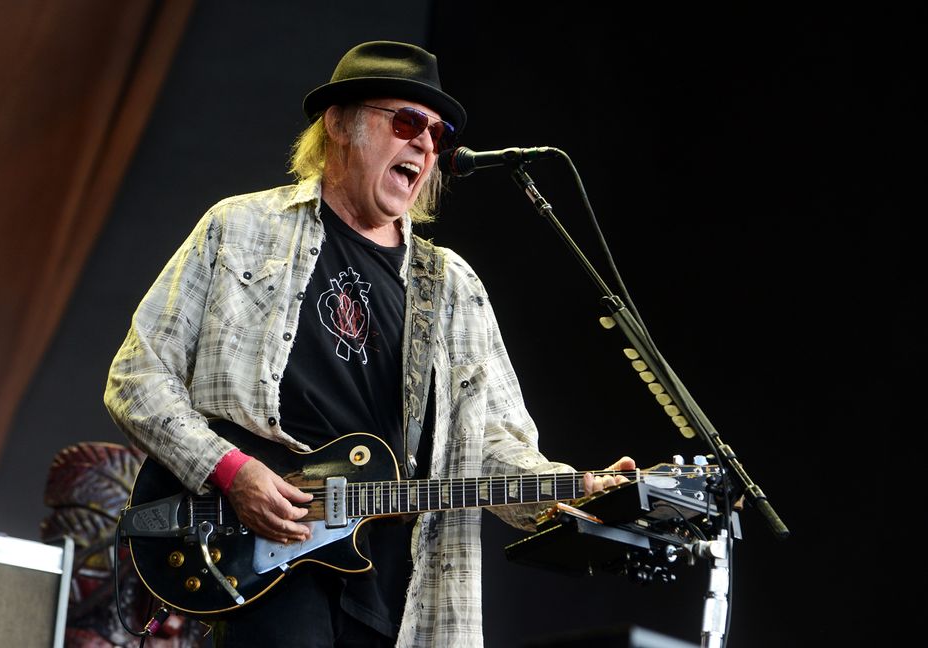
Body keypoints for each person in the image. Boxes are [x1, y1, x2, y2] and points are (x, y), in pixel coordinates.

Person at [104, 40, 635, 648]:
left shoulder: (454, 287)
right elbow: (138, 377)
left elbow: (492, 448)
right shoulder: (240, 229)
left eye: (439, 135)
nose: (426, 145)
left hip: (397, 587)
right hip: (263, 557)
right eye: (408, 121)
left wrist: (575, 489)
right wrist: (231, 471)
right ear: (339, 123)